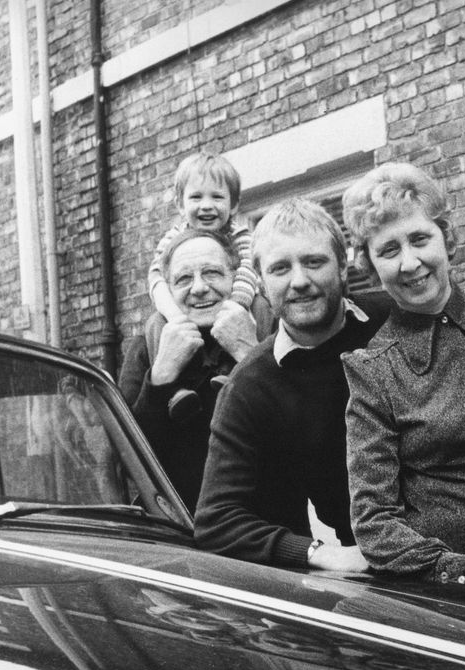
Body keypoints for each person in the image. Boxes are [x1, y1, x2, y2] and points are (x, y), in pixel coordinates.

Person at [340, 163, 465, 586]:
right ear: (369, 266)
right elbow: (374, 523)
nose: (410, 262)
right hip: (463, 595)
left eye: (420, 239)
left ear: (448, 240)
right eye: (388, 250)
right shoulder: (375, 370)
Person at [194, 198, 381, 571]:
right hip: (370, 566)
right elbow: (216, 520)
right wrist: (320, 554)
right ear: (261, 283)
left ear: (342, 266)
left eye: (314, 261)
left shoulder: (390, 323)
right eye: (281, 268)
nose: (300, 281)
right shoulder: (249, 385)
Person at [119, 228, 263, 508]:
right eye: (184, 278)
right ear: (169, 290)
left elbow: (303, 448)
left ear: (235, 278)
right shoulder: (148, 345)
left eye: (212, 273)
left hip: (263, 532)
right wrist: (160, 376)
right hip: (178, 528)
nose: (198, 288)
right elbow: (127, 463)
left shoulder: (266, 330)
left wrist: (248, 353)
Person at [147, 152, 266, 420]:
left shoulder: (242, 236)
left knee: (258, 308)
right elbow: (156, 278)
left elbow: (249, 272)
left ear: (234, 205)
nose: (207, 206)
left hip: (236, 303)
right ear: (180, 205)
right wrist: (177, 318)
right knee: (156, 323)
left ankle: (233, 374)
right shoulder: (173, 238)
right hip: (181, 318)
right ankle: (174, 389)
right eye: (196, 197)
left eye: (217, 197)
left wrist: (233, 307)